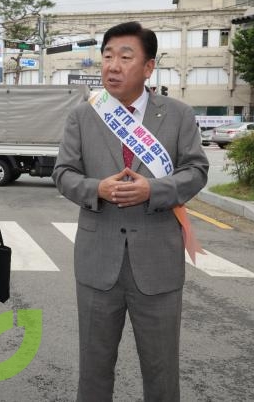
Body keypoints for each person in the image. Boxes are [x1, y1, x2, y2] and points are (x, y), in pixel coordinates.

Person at [52, 21, 209, 401]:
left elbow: (196, 170)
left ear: (148, 67)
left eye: (125, 57)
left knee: (161, 370)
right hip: (97, 262)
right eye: (107, 56)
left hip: (157, 263)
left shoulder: (176, 115)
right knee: (94, 369)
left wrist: (152, 190)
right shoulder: (83, 115)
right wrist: (98, 189)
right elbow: (63, 173)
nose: (113, 66)